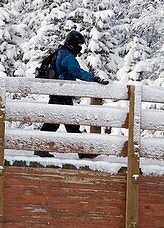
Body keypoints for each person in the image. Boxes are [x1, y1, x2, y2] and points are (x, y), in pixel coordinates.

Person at [36, 30, 110, 159]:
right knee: (61, 123)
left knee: (66, 123)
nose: (80, 48)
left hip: (59, 93)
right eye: (79, 45)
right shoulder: (67, 56)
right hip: (62, 94)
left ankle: (41, 149)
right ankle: (42, 149)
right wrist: (93, 78)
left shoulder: (60, 53)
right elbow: (77, 71)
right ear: (73, 44)